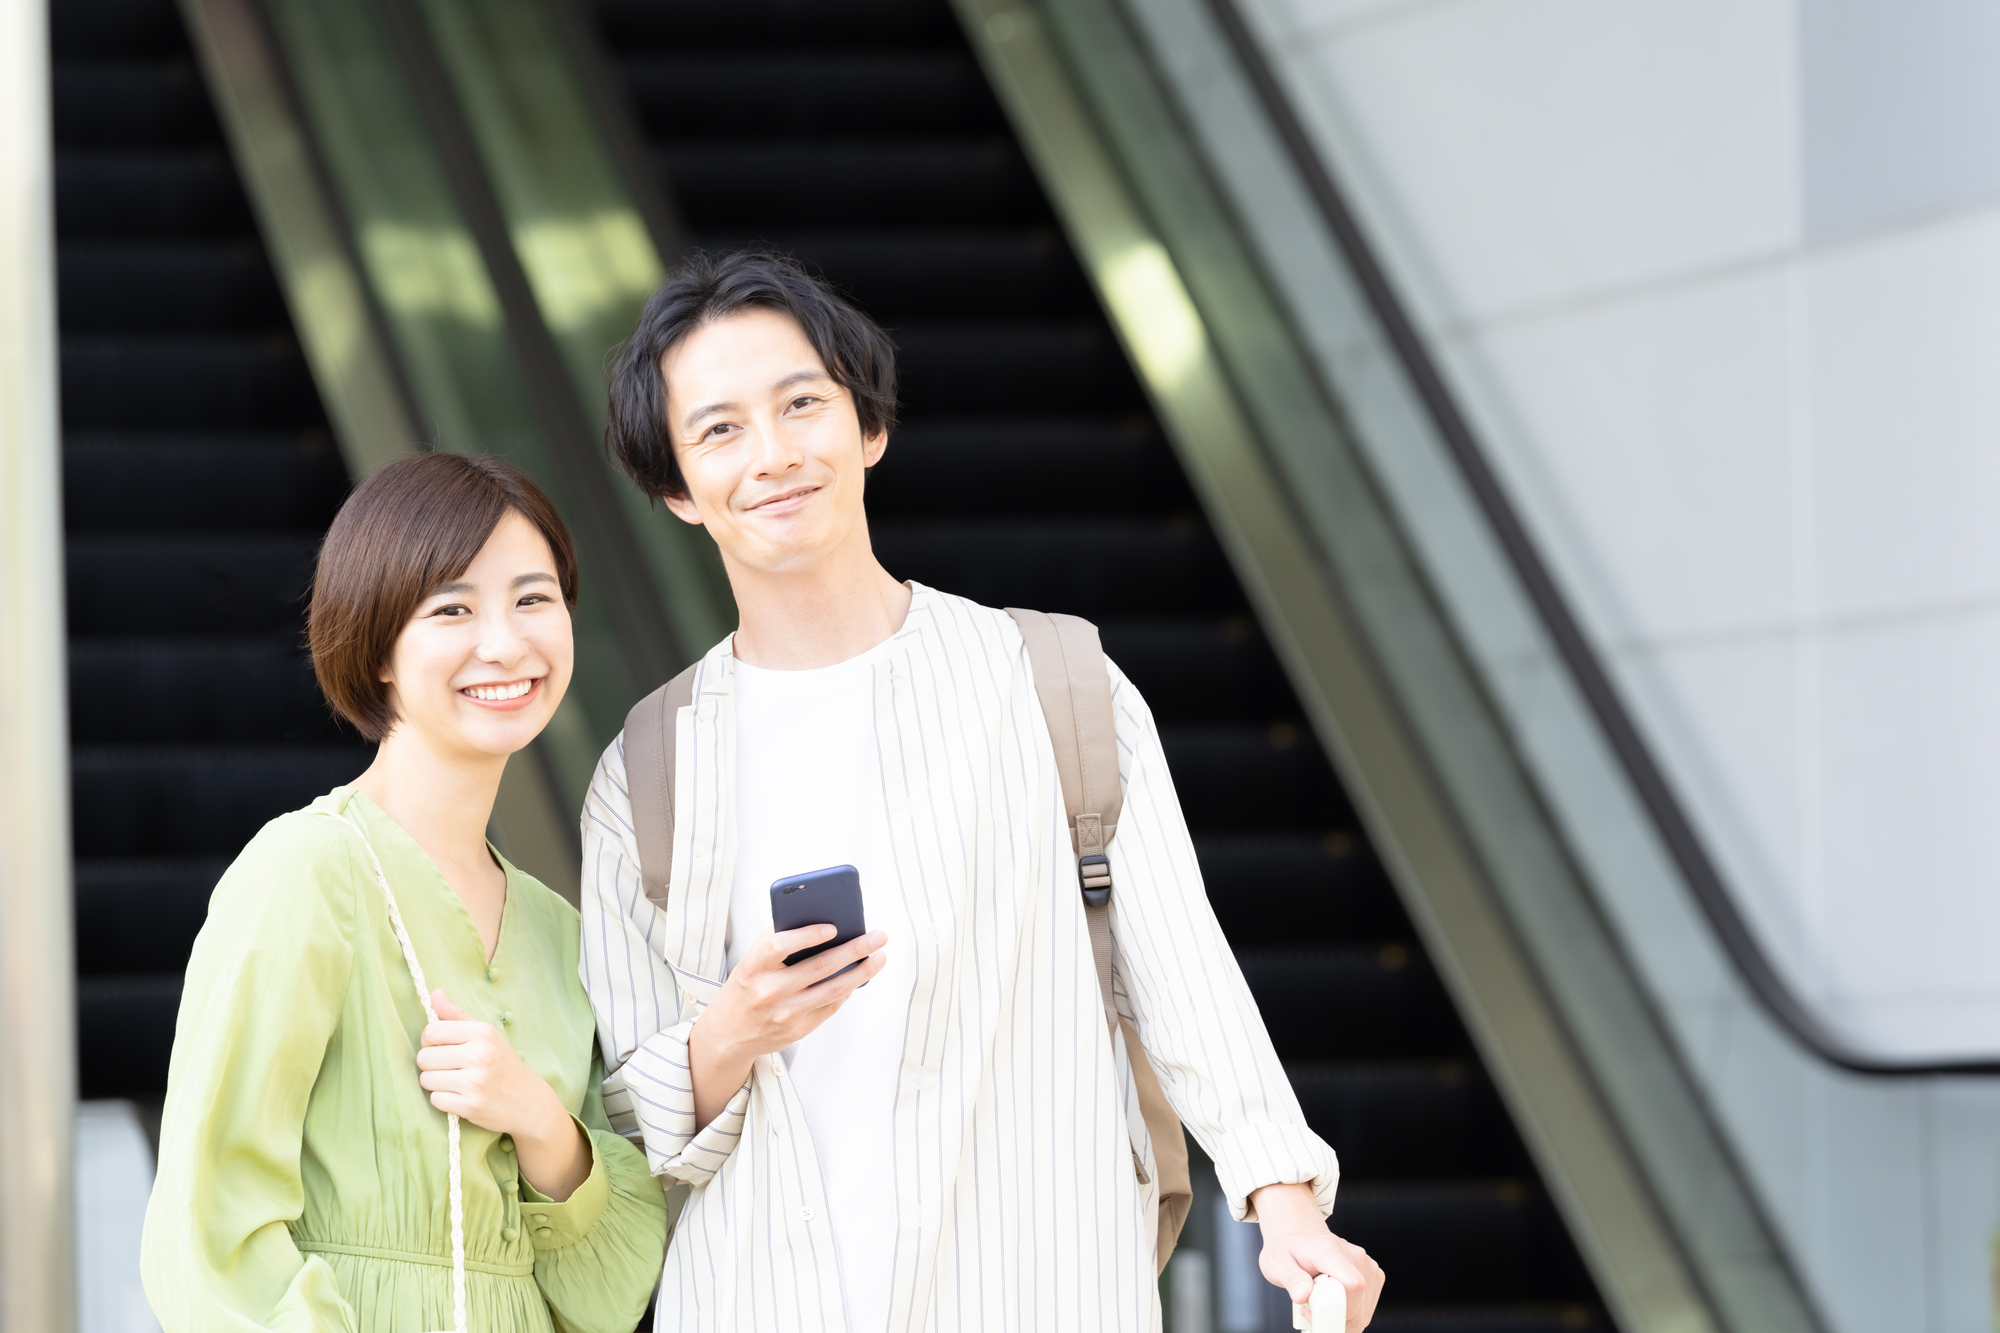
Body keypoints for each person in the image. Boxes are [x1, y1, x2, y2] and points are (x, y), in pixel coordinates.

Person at [580, 249, 1387, 1331]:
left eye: (801, 404)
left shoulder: (1054, 684)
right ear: (677, 489)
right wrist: (732, 1027)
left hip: (1037, 1281)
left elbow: (1179, 969)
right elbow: (620, 1116)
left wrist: (1283, 1204)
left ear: (867, 427)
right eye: (718, 429)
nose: (771, 454)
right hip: (762, 1292)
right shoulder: (646, 770)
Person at [141, 453, 667, 1332]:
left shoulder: (557, 928)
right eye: (452, 608)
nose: (504, 642)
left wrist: (540, 1120)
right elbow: (210, 1238)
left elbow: (604, 1295)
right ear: (378, 645)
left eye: (533, 599)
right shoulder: (305, 869)